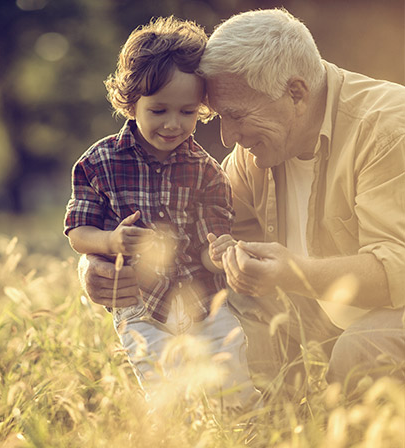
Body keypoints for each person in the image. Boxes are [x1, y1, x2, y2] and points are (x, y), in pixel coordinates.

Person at [79, 8, 405, 395]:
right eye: (218, 117)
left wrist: (294, 273)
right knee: (232, 304)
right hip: (325, 318)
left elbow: (398, 267)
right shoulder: (254, 156)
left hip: (391, 314)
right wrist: (95, 262)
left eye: (235, 115)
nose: (228, 136)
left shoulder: (387, 129)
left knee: (362, 351)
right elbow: (197, 240)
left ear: (295, 93)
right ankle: (265, 423)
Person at [63, 16, 259, 410]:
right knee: (167, 395)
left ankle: (244, 428)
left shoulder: (207, 172)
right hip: (140, 306)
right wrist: (111, 241)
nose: (173, 124)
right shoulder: (99, 163)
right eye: (159, 110)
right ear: (130, 103)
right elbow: (77, 231)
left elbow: (209, 244)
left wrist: (219, 251)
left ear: (202, 108)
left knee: (234, 384)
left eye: (187, 112)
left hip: (202, 301)